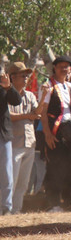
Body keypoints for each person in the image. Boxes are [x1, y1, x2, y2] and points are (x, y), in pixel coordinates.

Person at [41, 55, 71, 212]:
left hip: (70, 130)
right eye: (61, 66)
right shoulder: (48, 86)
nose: (64, 69)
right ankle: (53, 203)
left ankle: (67, 201)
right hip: (55, 130)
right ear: (55, 68)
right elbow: (43, 113)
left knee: (69, 166)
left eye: (67, 66)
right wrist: (47, 134)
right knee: (55, 167)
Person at [8, 62, 38, 213]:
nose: (26, 78)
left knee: (23, 182)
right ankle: (6, 210)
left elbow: (37, 113)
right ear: (12, 77)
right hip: (13, 143)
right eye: (22, 75)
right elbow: (7, 116)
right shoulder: (6, 94)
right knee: (10, 181)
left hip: (29, 142)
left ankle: (16, 210)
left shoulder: (30, 95)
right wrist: (27, 116)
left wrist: (45, 95)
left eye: (27, 75)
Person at [0, 65, 22, 215]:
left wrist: (8, 87)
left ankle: (6, 207)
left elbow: (16, 101)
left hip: (3, 135)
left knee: (7, 173)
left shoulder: (5, 88)